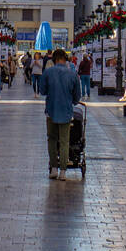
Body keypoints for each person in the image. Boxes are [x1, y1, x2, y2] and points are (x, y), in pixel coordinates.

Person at [38, 49, 82, 180]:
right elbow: (77, 96)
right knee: (64, 141)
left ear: (54, 59)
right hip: (66, 111)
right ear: (65, 59)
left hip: (51, 110)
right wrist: (71, 101)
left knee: (52, 139)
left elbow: (42, 91)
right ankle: (63, 171)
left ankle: (54, 168)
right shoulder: (72, 74)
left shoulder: (48, 72)